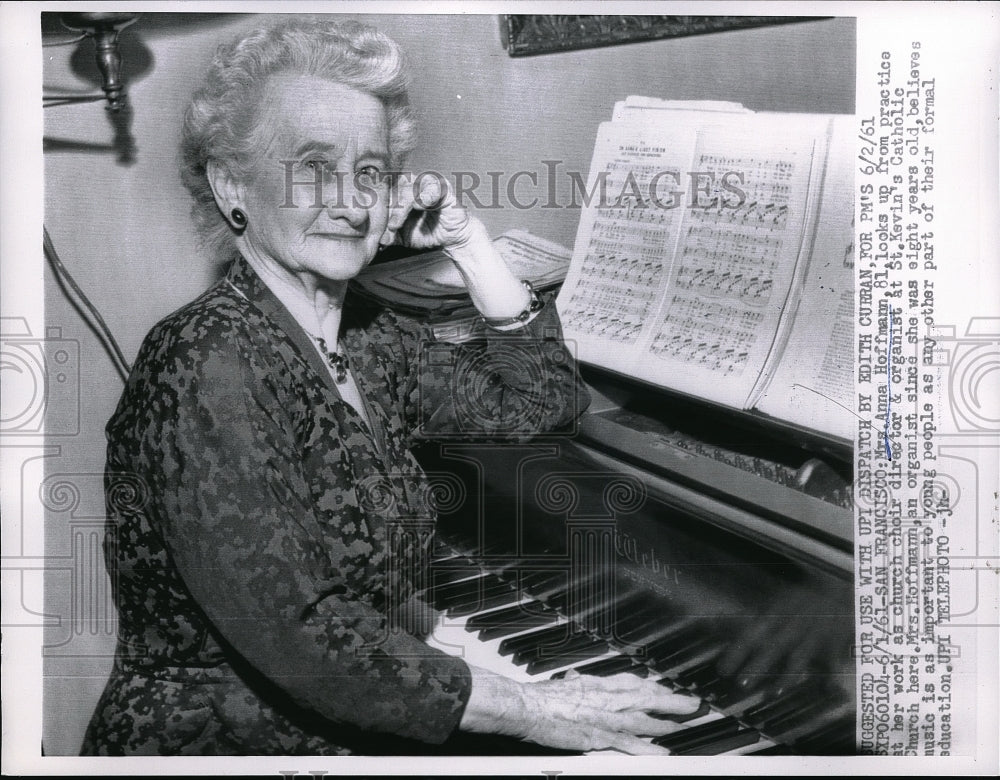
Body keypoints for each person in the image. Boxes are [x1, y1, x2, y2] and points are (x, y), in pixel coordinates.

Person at [80, 16, 699, 756]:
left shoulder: (370, 337)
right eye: (313, 167)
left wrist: (470, 244)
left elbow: (540, 406)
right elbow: (300, 635)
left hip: (346, 721)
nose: (351, 201)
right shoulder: (206, 361)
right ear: (232, 185)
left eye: (370, 172)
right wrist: (538, 708)